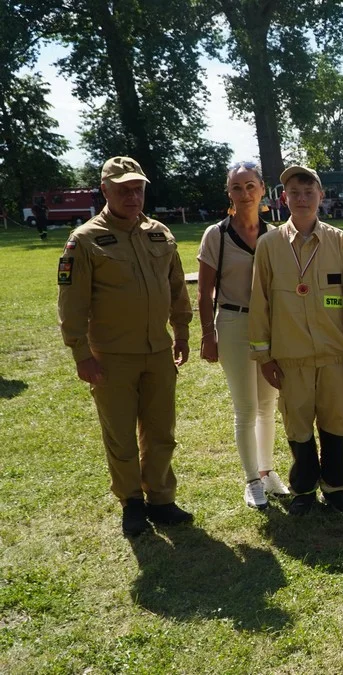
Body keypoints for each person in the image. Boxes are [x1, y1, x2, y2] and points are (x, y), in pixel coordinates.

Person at [57, 156, 194, 537]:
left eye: (138, 188)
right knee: (120, 434)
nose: (133, 196)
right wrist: (81, 353)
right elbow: (72, 303)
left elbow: (177, 287)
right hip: (112, 356)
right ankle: (132, 502)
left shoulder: (160, 234)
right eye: (123, 189)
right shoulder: (84, 240)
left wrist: (181, 331)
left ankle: (162, 500)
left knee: (161, 429)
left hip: (158, 351)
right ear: (105, 191)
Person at [249, 166, 343, 515]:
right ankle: (303, 491)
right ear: (284, 198)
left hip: (332, 353)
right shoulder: (269, 245)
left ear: (321, 196)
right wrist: (264, 356)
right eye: (294, 193)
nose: (301, 199)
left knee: (335, 422)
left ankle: (336, 488)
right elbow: (260, 301)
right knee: (297, 423)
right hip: (291, 355)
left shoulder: (340, 242)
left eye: (308, 192)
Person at [197, 161, 288, 510]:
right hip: (233, 323)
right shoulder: (216, 235)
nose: (245, 193)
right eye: (237, 187)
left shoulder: (275, 234)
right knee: (246, 407)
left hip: (267, 326)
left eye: (250, 186)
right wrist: (208, 334)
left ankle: (267, 472)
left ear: (263, 189)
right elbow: (205, 292)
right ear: (229, 193)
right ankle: (251, 480)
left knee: (268, 403)